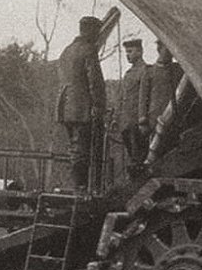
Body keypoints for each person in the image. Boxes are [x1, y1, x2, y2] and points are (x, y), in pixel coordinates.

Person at [55, 16, 106, 193]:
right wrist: (98, 106)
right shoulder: (88, 50)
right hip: (82, 108)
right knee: (83, 150)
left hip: (66, 107)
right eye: (97, 32)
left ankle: (78, 185)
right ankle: (81, 187)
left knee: (74, 148)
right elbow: (95, 81)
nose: (98, 36)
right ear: (91, 31)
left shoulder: (66, 51)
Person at [138, 40, 184, 137]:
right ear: (159, 49)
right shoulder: (149, 72)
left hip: (174, 118)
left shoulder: (179, 70)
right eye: (167, 49)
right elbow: (143, 98)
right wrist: (143, 121)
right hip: (154, 119)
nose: (171, 52)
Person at [118, 38, 148, 178]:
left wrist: (142, 120)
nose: (127, 55)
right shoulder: (129, 73)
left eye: (130, 51)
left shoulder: (145, 71)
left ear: (140, 52)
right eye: (126, 52)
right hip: (126, 122)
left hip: (136, 123)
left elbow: (144, 97)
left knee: (138, 157)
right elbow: (122, 97)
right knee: (131, 155)